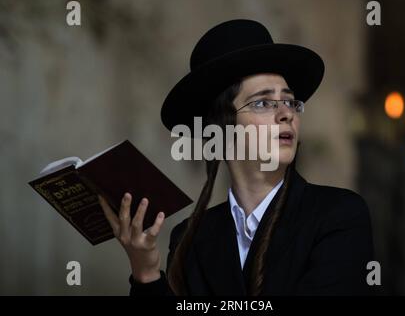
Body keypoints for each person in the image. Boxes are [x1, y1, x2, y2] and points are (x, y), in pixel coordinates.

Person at [98, 19, 375, 296]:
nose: (286, 113)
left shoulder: (339, 215)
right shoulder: (190, 240)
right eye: (264, 103)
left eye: (290, 101)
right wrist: (145, 271)